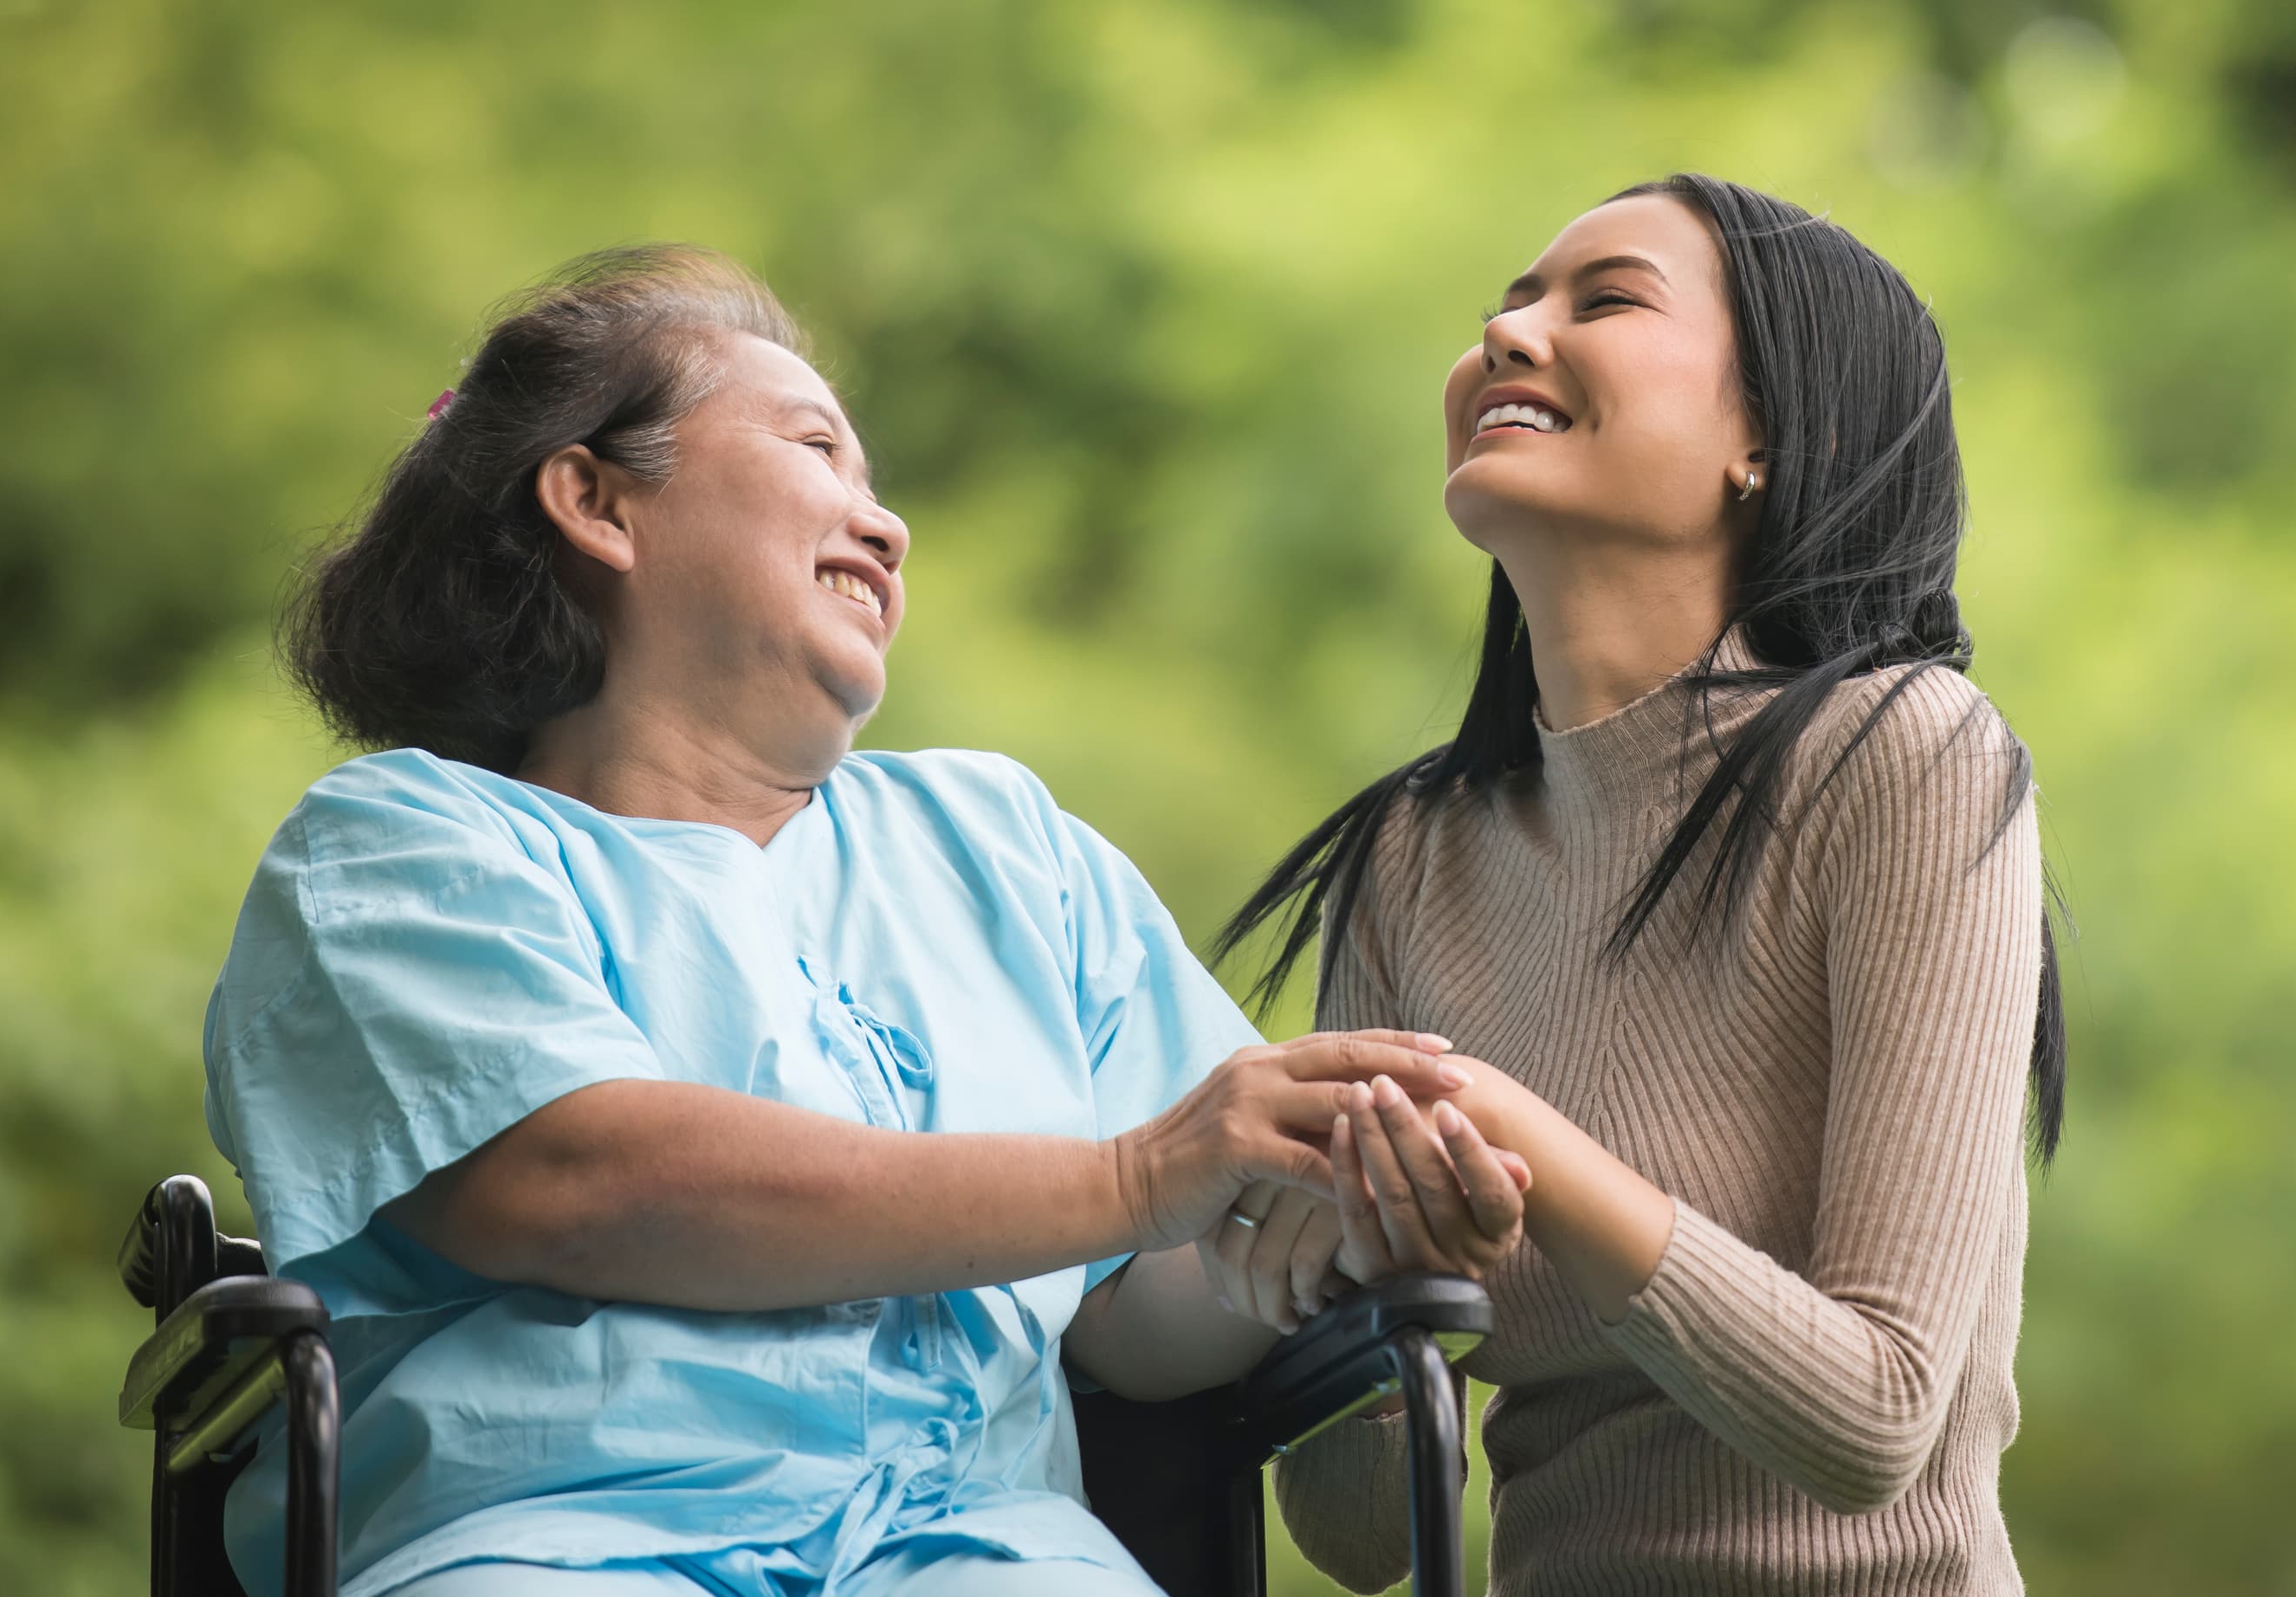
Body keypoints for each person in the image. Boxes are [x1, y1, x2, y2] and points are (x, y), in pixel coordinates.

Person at [202, 246, 1497, 1597]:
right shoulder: (399, 846)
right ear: (595, 500)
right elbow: (580, 1182)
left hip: (982, 1547)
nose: (886, 527)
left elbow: (1127, 1319)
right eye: (818, 449)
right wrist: (1139, 1172)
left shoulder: (1008, 849)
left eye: (878, 486)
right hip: (560, 1539)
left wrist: (1326, 1227)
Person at [1211, 175, 2063, 1596]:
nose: (1506, 330)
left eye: (1602, 299)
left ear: (1771, 439)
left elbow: (1876, 1417)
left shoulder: (1907, 757)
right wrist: (1359, 1275)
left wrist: (1515, 1144)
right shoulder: (1412, 858)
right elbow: (1358, 1543)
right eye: (1507, 299)